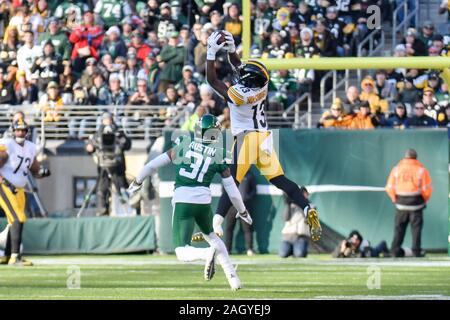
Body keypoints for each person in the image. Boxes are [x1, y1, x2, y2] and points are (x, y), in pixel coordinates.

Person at [205, 31, 321, 243]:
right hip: (264, 137)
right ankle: (307, 208)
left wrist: (211, 53)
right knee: (280, 180)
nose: (239, 75)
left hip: (246, 139)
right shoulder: (263, 85)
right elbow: (240, 66)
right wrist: (231, 50)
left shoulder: (239, 95)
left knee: (230, 182)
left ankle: (216, 225)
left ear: (248, 81)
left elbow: (211, 79)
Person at [127, 115, 247, 291]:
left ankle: (207, 253)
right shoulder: (220, 155)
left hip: (183, 200)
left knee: (181, 251)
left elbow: (152, 165)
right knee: (213, 237)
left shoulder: (184, 144)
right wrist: (242, 211)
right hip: (203, 203)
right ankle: (233, 279)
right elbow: (233, 191)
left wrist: (137, 181)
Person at [0, 120, 50, 266]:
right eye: (18, 130)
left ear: (27, 132)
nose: (20, 133)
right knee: (18, 218)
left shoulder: (30, 147)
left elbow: (34, 169)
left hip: (19, 189)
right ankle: (16, 257)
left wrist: (42, 172)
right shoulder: (7, 145)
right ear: (13, 131)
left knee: (13, 221)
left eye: (23, 130)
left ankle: (7, 255)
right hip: (5, 186)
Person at [385, 149, 433, 257]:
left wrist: (395, 199)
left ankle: (394, 250)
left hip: (401, 205)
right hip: (416, 205)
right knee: (416, 229)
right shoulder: (421, 170)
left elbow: (389, 187)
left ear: (405, 157)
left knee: (399, 229)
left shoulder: (396, 169)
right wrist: (424, 199)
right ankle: (416, 251)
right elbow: (427, 189)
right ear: (415, 158)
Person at [85, 112, 131, 216]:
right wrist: (89, 146)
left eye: (109, 119)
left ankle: (125, 211)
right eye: (105, 119)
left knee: (121, 188)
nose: (108, 121)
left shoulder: (118, 132)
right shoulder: (97, 134)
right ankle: (102, 210)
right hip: (103, 167)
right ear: (102, 121)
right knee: (102, 188)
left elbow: (127, 144)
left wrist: (121, 141)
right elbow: (90, 145)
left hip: (117, 166)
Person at [224, 170, 256, 256]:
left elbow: (254, 191)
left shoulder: (249, 175)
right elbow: (224, 190)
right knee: (229, 228)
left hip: (245, 207)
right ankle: (227, 250)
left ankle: (250, 249)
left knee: (248, 229)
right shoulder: (228, 175)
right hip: (232, 207)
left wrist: (245, 199)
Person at [279, 187, 311, 258]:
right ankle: (291, 250)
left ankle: (297, 250)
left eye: (305, 194)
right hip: (288, 237)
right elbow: (286, 218)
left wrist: (302, 203)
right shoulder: (291, 205)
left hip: (301, 237)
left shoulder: (311, 206)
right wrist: (287, 204)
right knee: (283, 254)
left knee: (299, 254)